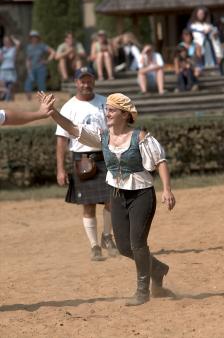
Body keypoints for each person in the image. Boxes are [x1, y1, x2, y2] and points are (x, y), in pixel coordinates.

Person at [39, 91, 176, 307]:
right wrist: (53, 113)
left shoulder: (140, 137)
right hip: (116, 194)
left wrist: (167, 190)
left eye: (111, 110)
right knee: (123, 246)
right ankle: (157, 268)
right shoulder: (102, 136)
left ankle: (143, 291)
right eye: (107, 110)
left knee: (138, 243)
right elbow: (73, 129)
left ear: (124, 114)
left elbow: (160, 161)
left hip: (141, 194)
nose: (107, 113)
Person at [55, 67, 117, 261]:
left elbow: (116, 129)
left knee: (112, 200)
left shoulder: (105, 102)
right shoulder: (68, 107)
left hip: (105, 156)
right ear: (76, 82)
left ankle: (107, 236)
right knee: (88, 205)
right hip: (82, 160)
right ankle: (94, 246)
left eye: (89, 80)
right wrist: (60, 169)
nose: (86, 84)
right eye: (82, 80)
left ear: (94, 81)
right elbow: (62, 140)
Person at [24, 30, 55, 100]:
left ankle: (43, 99)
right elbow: (28, 59)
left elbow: (52, 52)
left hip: (41, 68)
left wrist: (47, 61)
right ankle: (28, 99)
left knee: (41, 84)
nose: (33, 38)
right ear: (30, 38)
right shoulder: (29, 47)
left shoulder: (42, 46)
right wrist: (28, 69)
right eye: (32, 37)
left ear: (38, 38)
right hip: (32, 68)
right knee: (28, 82)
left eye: (35, 37)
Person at [0, 35, 20, 101]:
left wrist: (13, 38)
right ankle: (5, 98)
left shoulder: (13, 49)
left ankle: (10, 99)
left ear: (10, 41)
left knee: (11, 87)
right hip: (3, 70)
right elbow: (1, 60)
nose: (6, 42)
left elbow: (18, 43)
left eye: (7, 40)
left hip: (11, 70)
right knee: (3, 87)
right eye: (5, 41)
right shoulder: (2, 49)